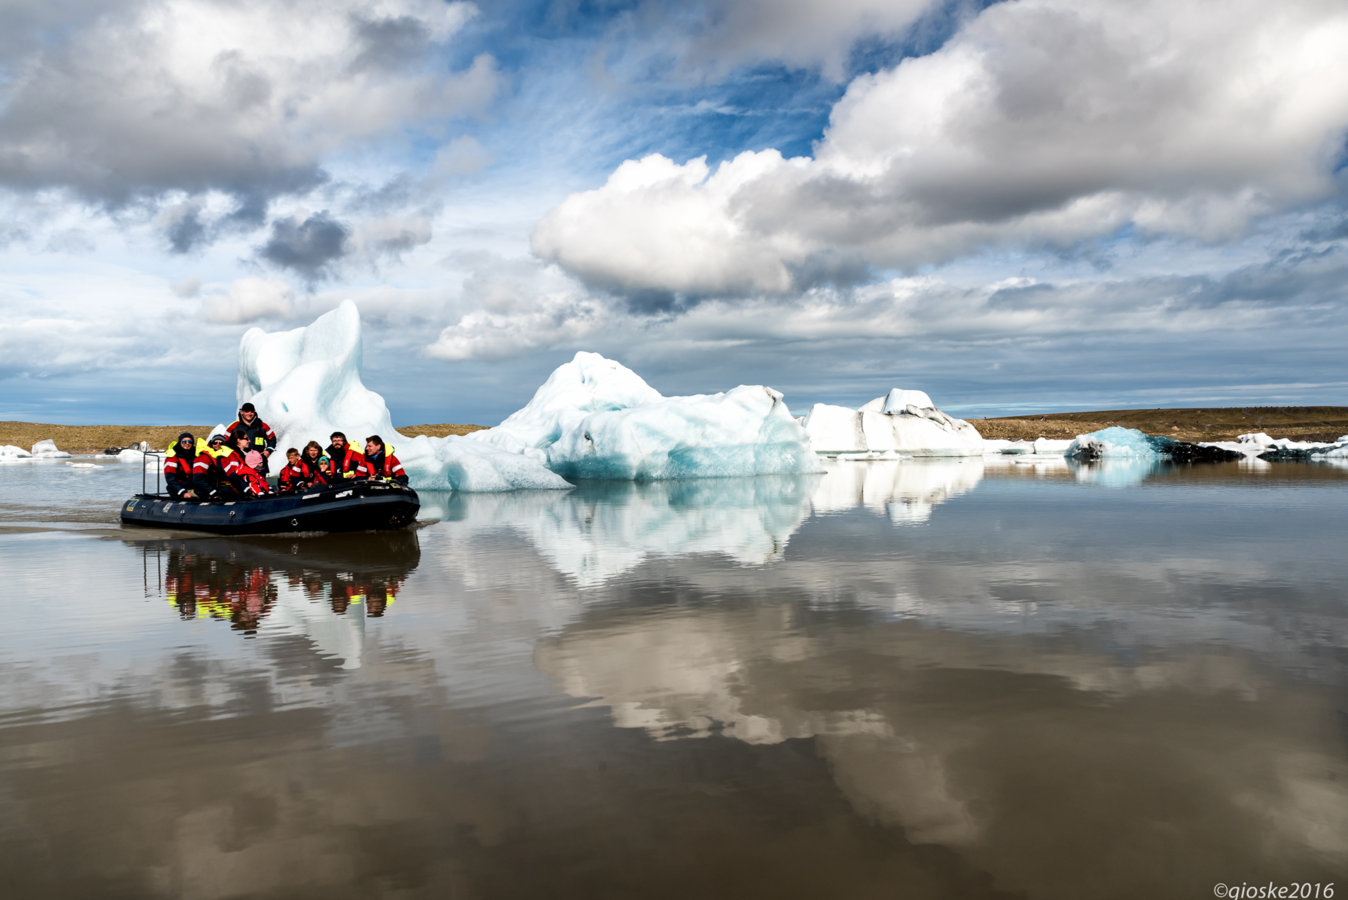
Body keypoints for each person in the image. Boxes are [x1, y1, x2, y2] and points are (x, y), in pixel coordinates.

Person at [226, 402, 277, 474]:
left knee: (260, 484)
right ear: (242, 412)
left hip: (259, 463)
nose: (249, 414)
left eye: (252, 411)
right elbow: (225, 442)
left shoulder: (263, 426)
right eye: (246, 411)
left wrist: (268, 451)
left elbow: (272, 439)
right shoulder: (234, 427)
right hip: (241, 462)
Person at [164, 432, 201, 499]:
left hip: (194, 488)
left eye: (190, 441)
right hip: (179, 490)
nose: (187, 443)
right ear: (180, 443)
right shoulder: (172, 457)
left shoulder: (196, 455)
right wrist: (182, 492)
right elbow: (170, 479)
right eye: (184, 441)